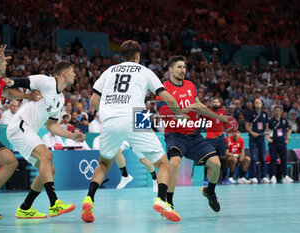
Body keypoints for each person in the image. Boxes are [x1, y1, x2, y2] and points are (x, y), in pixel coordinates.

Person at [81, 40, 186, 223]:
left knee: (103, 164)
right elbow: (166, 96)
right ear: (137, 56)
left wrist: (106, 112)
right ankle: (161, 200)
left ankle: (89, 198)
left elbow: (93, 103)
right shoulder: (145, 71)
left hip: (109, 118)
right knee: (163, 164)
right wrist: (180, 114)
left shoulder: (108, 71)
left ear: (121, 57)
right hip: (137, 115)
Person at [6, 61, 85, 219]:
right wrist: (11, 81)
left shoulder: (61, 99)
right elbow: (24, 81)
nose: (75, 75)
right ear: (64, 73)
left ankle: (25, 208)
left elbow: (51, 125)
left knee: (49, 169)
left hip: (27, 131)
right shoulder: (47, 81)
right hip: (20, 125)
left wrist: (72, 136)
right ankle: (54, 203)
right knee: (46, 156)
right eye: (72, 71)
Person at [156, 55, 234, 213]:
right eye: (178, 67)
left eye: (184, 67)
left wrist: (219, 117)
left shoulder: (190, 86)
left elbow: (199, 106)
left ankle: (210, 192)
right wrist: (184, 110)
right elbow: (164, 113)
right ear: (170, 69)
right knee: (174, 163)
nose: (182, 70)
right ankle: (169, 203)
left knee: (216, 164)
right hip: (175, 135)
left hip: (194, 135)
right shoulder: (164, 89)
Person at [0, 45, 41, 220]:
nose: (6, 62)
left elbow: (9, 92)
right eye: (2, 60)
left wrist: (28, 96)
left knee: (10, 161)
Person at [266, 106, 294, 184]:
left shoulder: (284, 121)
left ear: (281, 111)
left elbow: (287, 130)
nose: (277, 112)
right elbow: (266, 131)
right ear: (273, 112)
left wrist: (287, 139)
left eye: (279, 110)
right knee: (273, 159)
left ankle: (285, 176)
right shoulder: (270, 121)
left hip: (282, 142)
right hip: (273, 143)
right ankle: (273, 176)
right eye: (276, 110)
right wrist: (268, 139)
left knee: (284, 159)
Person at [245, 98, 270, 184]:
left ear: (262, 104)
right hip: (253, 138)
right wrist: (252, 132)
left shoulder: (264, 114)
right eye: (256, 103)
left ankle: (263, 176)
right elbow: (247, 126)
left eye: (259, 103)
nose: (258, 104)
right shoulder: (250, 114)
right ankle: (253, 177)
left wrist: (264, 132)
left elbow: (267, 125)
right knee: (254, 158)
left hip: (261, 138)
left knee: (263, 158)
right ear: (254, 104)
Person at [204, 98, 227, 184]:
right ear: (212, 103)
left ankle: (224, 178)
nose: (216, 103)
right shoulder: (208, 111)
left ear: (220, 103)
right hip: (210, 137)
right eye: (214, 102)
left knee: (223, 158)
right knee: (209, 158)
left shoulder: (223, 112)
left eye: (217, 102)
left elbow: (225, 123)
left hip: (221, 137)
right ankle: (206, 177)